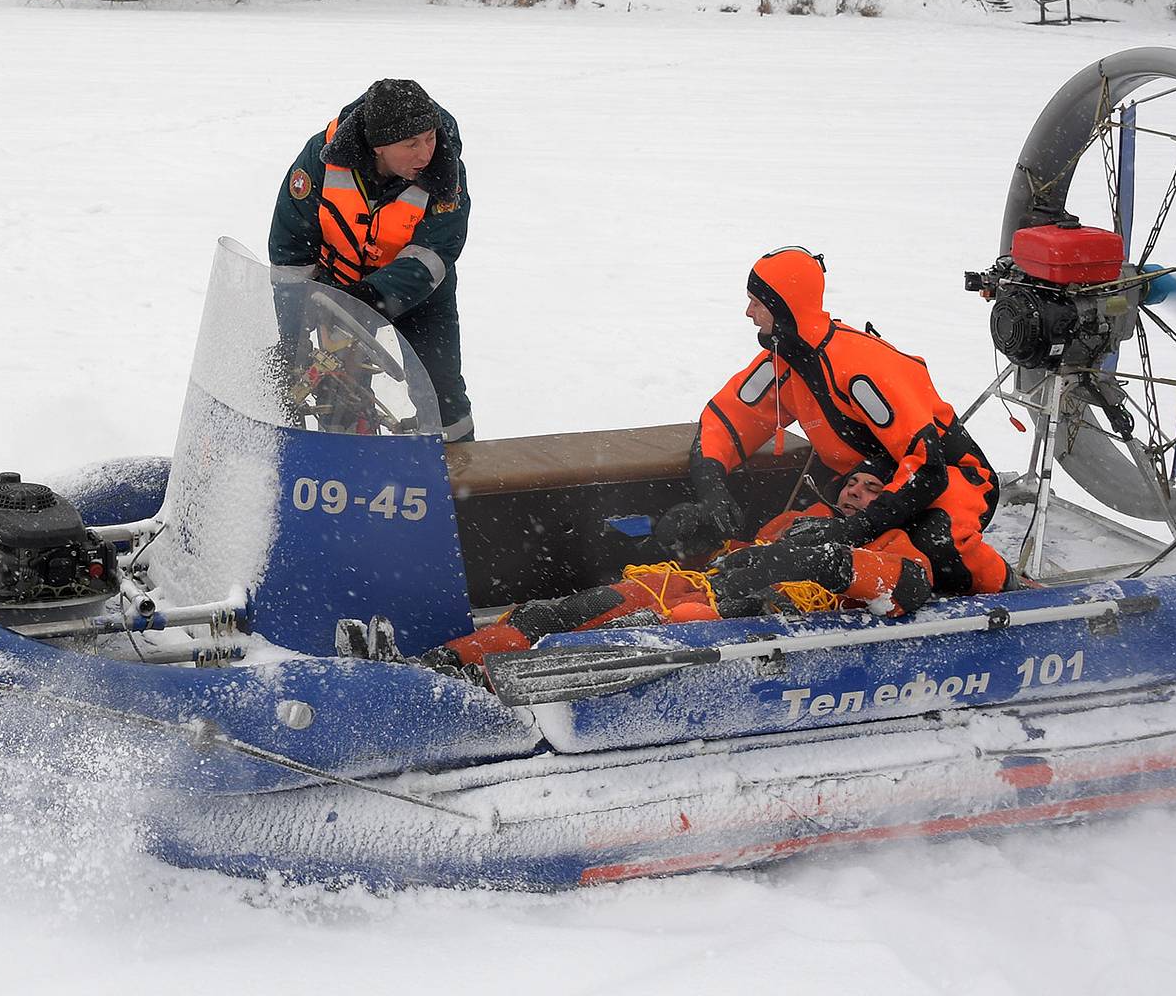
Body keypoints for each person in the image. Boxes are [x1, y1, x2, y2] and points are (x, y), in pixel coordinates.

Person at [668, 246, 1009, 596]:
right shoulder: (783, 361)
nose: (748, 312)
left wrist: (856, 529)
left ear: (784, 307)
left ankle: (1009, 587)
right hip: (866, 481)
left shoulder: (860, 368)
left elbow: (927, 467)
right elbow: (727, 422)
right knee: (789, 533)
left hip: (953, 476)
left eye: (757, 302)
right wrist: (712, 490)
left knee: (937, 546)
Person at [418, 460, 932, 672]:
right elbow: (737, 556)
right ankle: (438, 668)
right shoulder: (799, 517)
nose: (856, 495)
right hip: (683, 587)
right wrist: (692, 535)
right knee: (549, 616)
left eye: (873, 491)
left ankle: (510, 693)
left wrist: (808, 560)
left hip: (757, 622)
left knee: (638, 635)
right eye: (853, 484)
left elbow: (909, 587)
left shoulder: (894, 542)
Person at [268, 79, 474, 441]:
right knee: (339, 392)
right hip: (338, 293)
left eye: (429, 137)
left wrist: (370, 298)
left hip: (422, 294)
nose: (426, 153)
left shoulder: (445, 170)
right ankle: (344, 467)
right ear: (378, 146)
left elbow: (435, 252)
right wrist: (292, 335)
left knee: (442, 397)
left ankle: (459, 479)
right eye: (411, 144)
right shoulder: (319, 161)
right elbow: (291, 252)